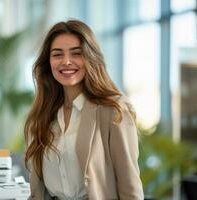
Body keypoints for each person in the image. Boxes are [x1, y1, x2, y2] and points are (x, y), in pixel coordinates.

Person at [24, 19, 144, 200]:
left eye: (76, 53)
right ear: (48, 62)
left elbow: (130, 187)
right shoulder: (42, 116)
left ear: (91, 57)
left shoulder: (114, 110)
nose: (66, 61)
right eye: (57, 54)